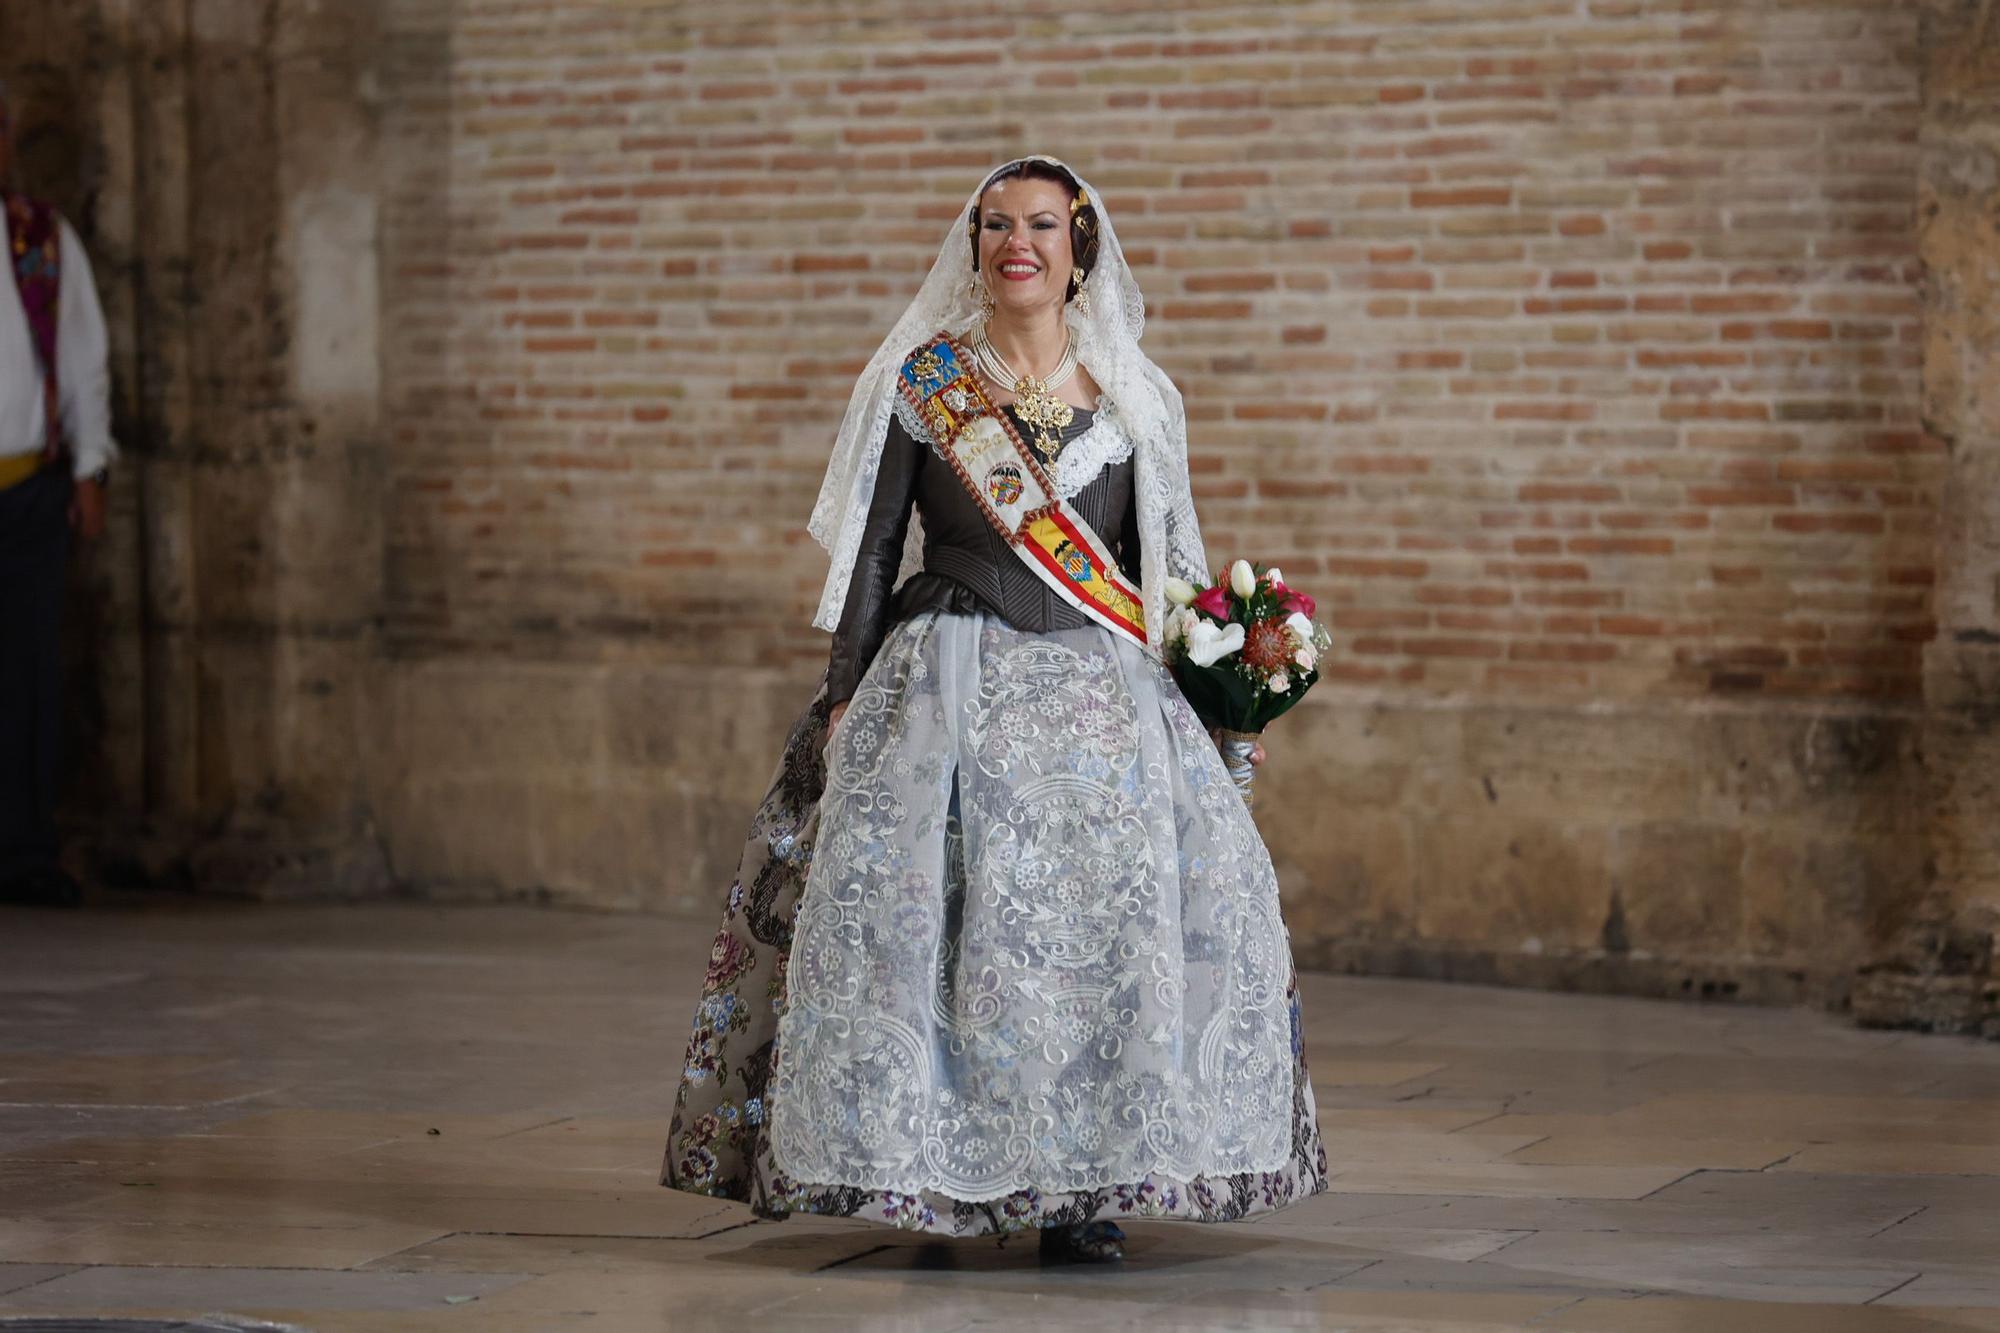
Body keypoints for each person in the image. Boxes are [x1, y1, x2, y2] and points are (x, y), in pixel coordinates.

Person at [662, 157, 1325, 1263]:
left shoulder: (1135, 397)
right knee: (936, 942)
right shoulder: (924, 386)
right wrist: (840, 700)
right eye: (994, 226)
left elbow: (1159, 570)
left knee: (1094, 953)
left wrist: (1224, 688)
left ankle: (1079, 1197)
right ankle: (935, 1181)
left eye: (1041, 226)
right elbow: (876, 552)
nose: (1016, 243)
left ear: (1080, 252)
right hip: (941, 691)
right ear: (973, 247)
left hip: (1099, 709)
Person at [0, 81, 116, 908]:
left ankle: (24, 847)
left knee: (29, 673)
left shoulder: (39, 238)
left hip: (26, 488)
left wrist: (89, 466)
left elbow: (80, 355)